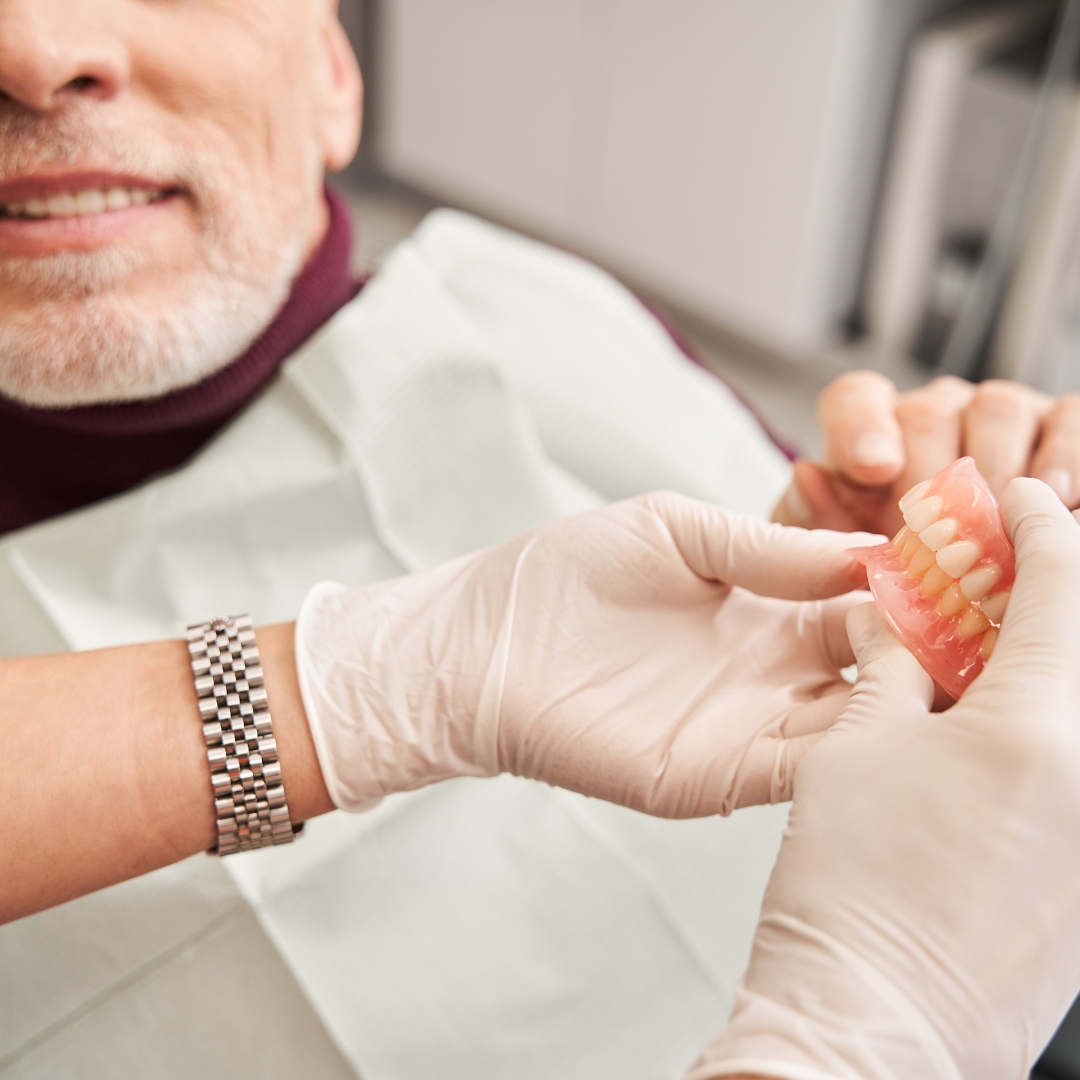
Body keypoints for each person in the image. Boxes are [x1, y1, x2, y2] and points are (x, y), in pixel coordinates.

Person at [1, 1, 1079, 1077]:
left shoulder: (536, 316)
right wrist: (878, 1034)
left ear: (336, 73)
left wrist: (958, 617)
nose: (37, 52)